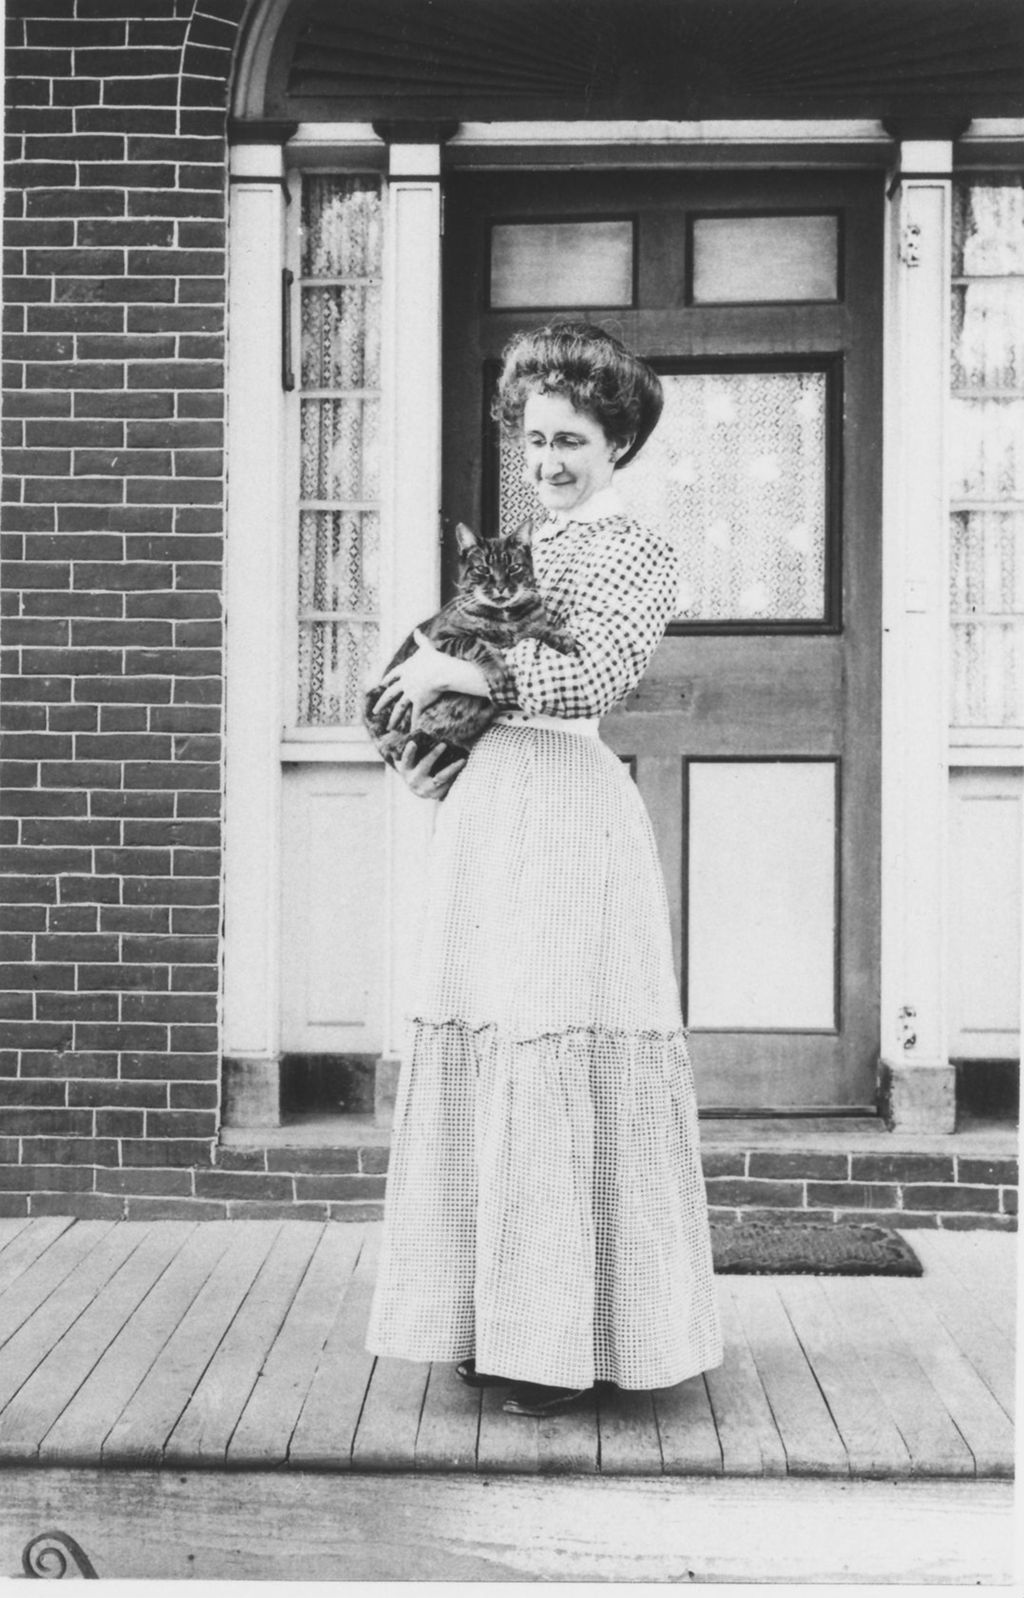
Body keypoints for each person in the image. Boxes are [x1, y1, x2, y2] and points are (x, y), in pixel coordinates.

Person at [365, 322, 722, 1417]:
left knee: (551, 1035)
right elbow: (438, 674)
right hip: (489, 816)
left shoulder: (633, 549)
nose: (549, 462)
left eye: (570, 440)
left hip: (565, 813)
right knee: (493, 1034)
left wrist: (462, 670)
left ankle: (571, 1339)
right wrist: (413, 733)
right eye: (532, 442)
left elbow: (592, 675)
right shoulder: (518, 551)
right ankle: (499, 1323)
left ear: (617, 443)